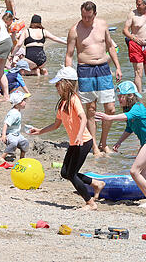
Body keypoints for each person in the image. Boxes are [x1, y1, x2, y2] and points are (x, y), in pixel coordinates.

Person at [29, 67, 105, 210]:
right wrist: (40, 131)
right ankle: (96, 183)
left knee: (71, 174)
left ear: (66, 84)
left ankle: (90, 203)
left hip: (83, 142)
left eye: (58, 84)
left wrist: (79, 135)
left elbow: (83, 118)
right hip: (74, 142)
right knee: (65, 173)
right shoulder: (62, 103)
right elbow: (56, 124)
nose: (56, 87)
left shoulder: (74, 99)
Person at [95, 81, 146, 207]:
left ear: (130, 96)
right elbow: (129, 128)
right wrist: (119, 142)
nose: (119, 99)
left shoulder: (138, 107)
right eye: (118, 96)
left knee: (134, 172)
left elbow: (126, 116)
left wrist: (108, 117)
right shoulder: (129, 109)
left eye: (121, 96)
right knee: (141, 174)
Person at [64, 1, 122, 157]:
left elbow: (110, 46)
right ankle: (94, 146)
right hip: (85, 69)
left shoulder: (102, 25)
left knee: (110, 109)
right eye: (83, 16)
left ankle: (104, 143)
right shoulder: (75, 30)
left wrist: (117, 66)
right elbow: (69, 55)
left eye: (89, 17)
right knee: (91, 109)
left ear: (94, 14)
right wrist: (69, 77)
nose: (86, 19)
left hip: (103, 68)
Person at [0, 92, 30, 163]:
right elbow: (6, 124)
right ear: (17, 103)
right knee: (13, 142)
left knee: (25, 142)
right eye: (23, 101)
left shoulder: (17, 111)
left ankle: (22, 158)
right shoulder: (13, 113)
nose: (25, 102)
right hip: (9, 134)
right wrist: (3, 135)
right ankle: (2, 157)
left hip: (16, 134)